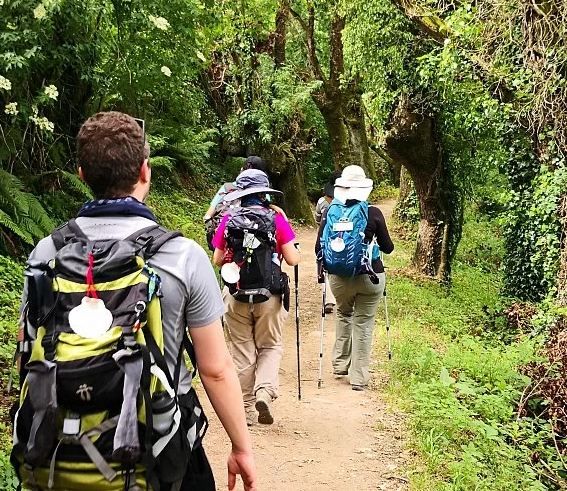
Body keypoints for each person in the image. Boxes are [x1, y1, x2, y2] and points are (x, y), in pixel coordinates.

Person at [18, 112, 257, 491]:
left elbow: (28, 350)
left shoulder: (46, 253)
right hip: (157, 451)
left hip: (59, 452)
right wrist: (241, 447)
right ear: (146, 171)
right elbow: (215, 369)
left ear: (82, 174)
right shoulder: (183, 257)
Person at [211, 169, 300, 426]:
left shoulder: (228, 219)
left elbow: (218, 260)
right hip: (269, 296)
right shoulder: (275, 219)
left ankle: (247, 410)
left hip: (236, 294)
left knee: (242, 351)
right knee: (270, 346)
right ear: (264, 193)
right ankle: (265, 391)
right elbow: (292, 259)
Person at [316, 165, 394, 392]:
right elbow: (388, 248)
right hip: (370, 277)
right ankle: (358, 378)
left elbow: (318, 248)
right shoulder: (373, 212)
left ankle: (340, 364)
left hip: (339, 279)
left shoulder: (330, 211)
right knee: (363, 322)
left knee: (343, 313)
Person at [314, 171, 343, 315]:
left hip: (327, 237)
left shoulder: (322, 201)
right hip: (345, 238)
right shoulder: (349, 201)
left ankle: (329, 300)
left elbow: (318, 221)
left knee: (326, 266)